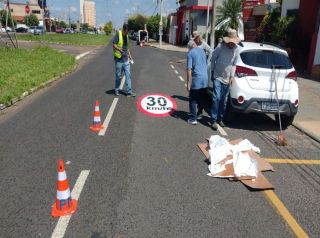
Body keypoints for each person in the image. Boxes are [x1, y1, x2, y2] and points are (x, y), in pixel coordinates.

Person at [210, 28, 240, 130]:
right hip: (218, 76)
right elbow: (213, 58)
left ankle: (220, 119)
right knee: (216, 98)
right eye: (230, 42)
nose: (232, 44)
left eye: (233, 42)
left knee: (224, 101)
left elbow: (234, 64)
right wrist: (212, 72)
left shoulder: (236, 49)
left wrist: (232, 77)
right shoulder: (220, 47)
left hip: (227, 79)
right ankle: (213, 120)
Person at [186, 40, 209, 125]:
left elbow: (189, 69)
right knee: (201, 98)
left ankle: (193, 118)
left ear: (190, 47)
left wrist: (188, 82)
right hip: (205, 78)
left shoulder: (190, 53)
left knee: (192, 99)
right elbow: (206, 64)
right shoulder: (202, 51)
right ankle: (199, 114)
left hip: (197, 79)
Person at [113, 23, 136, 97]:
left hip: (126, 60)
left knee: (128, 75)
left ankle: (129, 92)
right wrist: (119, 49)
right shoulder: (118, 34)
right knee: (118, 76)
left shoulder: (127, 37)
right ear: (123, 29)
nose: (127, 33)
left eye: (128, 32)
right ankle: (117, 89)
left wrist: (130, 56)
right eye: (126, 31)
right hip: (119, 60)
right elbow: (114, 44)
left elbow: (127, 48)